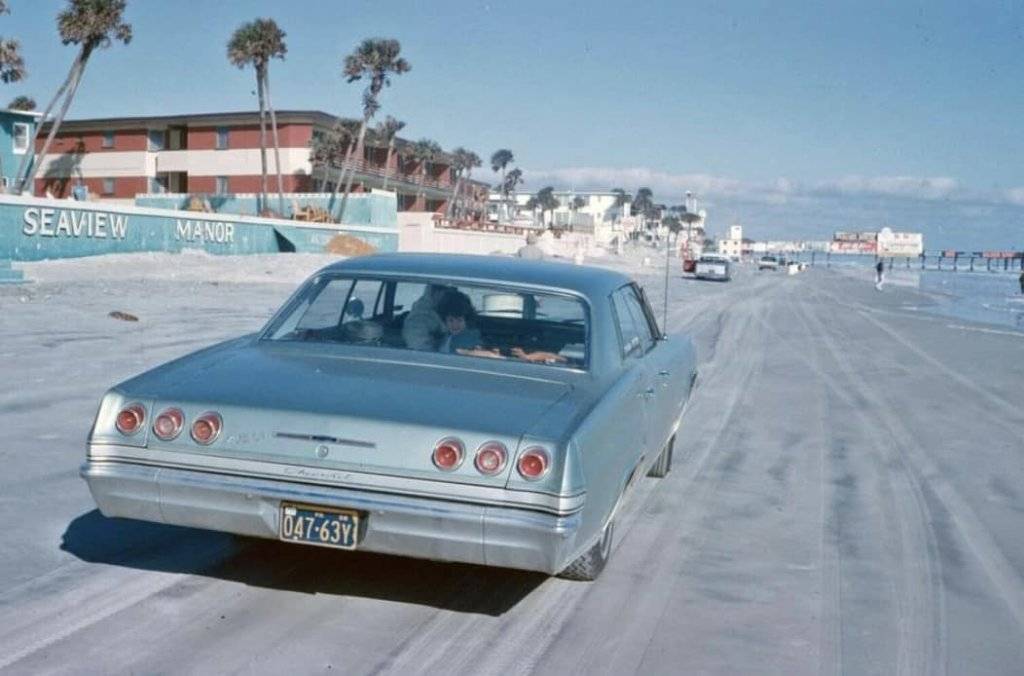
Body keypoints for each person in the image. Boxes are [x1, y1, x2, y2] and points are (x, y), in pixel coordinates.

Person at [402, 284, 449, 350]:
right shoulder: (419, 318)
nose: (446, 299)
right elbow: (418, 346)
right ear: (436, 293)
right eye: (445, 295)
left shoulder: (439, 312)